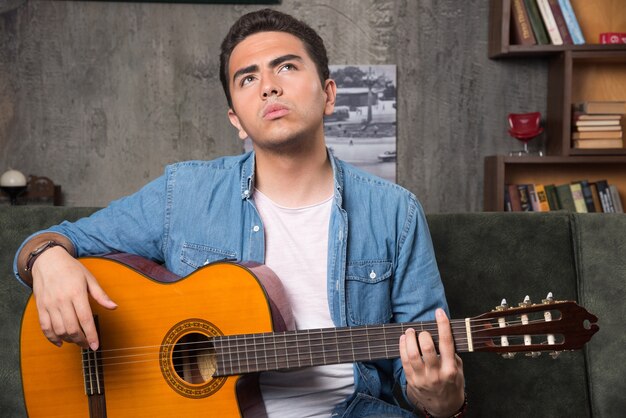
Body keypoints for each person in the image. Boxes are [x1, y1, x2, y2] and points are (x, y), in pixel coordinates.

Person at [14, 8, 465, 418]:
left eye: (286, 66)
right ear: (236, 118)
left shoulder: (394, 212)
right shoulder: (183, 192)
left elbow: (424, 368)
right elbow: (48, 243)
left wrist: (442, 401)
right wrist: (47, 260)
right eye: (247, 78)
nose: (268, 85)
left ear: (329, 95)